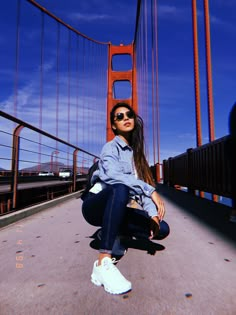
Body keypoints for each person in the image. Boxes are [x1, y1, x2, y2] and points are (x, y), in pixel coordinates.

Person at [81, 102, 170, 295]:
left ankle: (110, 232)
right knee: (120, 187)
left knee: (162, 229)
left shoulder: (136, 156)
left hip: (116, 206)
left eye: (129, 114)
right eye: (119, 116)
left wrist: (152, 213)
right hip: (94, 206)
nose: (126, 118)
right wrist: (151, 190)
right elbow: (113, 177)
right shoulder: (110, 148)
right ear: (113, 125)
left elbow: (141, 191)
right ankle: (103, 261)